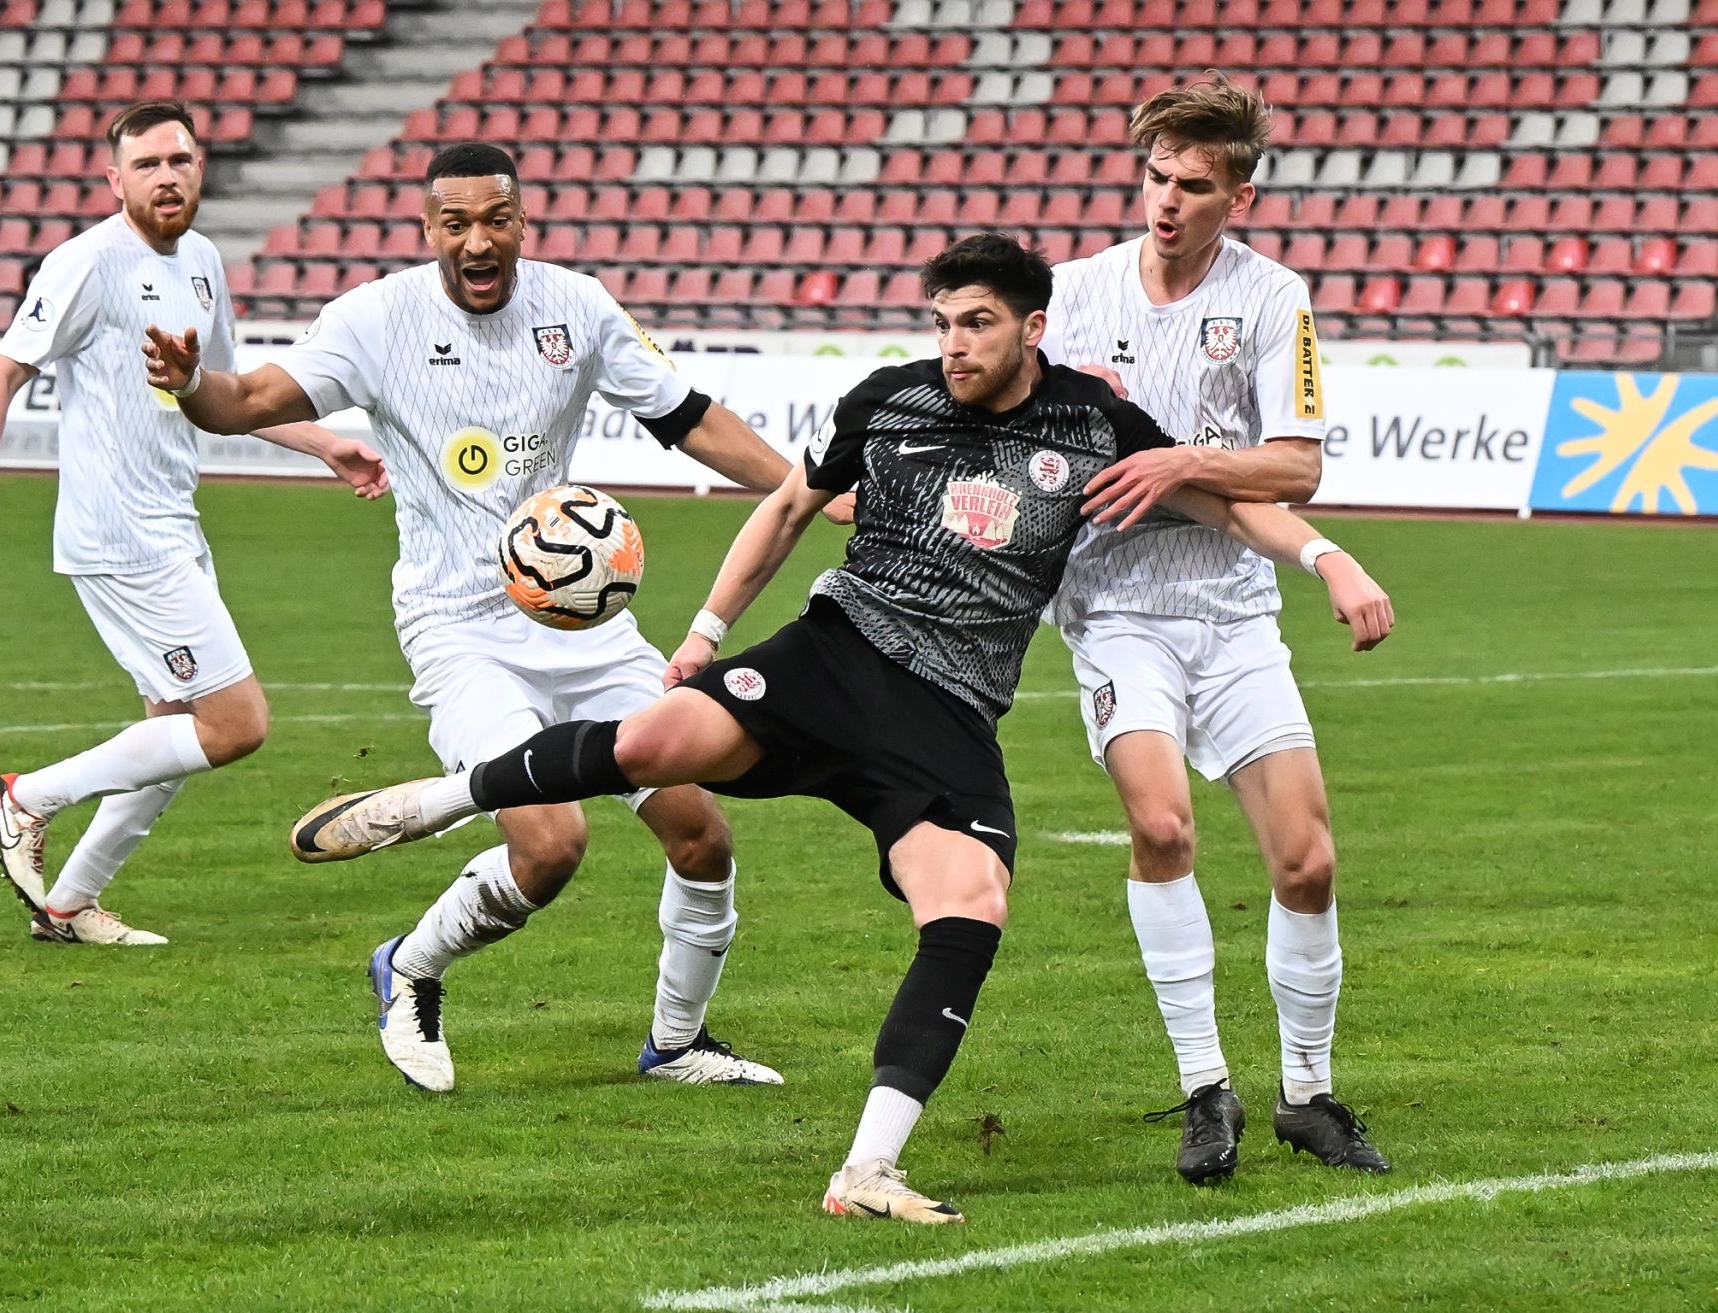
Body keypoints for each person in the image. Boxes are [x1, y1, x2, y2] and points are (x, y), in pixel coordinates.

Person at [284, 234, 1393, 1222]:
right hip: (835, 655)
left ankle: (867, 1166)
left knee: (971, 903)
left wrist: (1327, 557)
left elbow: (1231, 501)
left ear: (1033, 328)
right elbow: (787, 508)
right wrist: (709, 631)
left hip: (952, 713)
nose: (955, 344)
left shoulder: (1094, 423)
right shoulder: (887, 400)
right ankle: (431, 803)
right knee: (654, 740)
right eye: (944, 322)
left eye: (978, 324)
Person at [141, 142, 803, 1091]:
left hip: (582, 621)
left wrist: (800, 489)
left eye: (496, 219)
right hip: (458, 627)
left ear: (522, 222)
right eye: (455, 223)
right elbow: (243, 402)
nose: (477, 240)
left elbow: (690, 416)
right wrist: (190, 384)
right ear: (429, 230)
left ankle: (676, 1042)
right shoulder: (378, 319)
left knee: (702, 837)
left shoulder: (576, 305)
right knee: (551, 841)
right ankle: (411, 965)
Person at [1042, 71, 1394, 1183]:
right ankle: (1206, 1090)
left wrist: (1188, 457)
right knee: (1163, 829)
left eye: (1195, 185)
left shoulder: (1275, 298)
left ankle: (1306, 1092)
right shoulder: (1075, 291)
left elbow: (1296, 461)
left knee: (1308, 859)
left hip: (1236, 613)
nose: (1167, 202)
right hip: (1116, 612)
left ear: (1238, 196)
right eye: (1156, 177)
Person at [0, 100, 390, 946]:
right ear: (115, 181)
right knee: (235, 723)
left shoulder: (204, 261)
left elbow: (226, 393)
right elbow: (0, 372)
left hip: (171, 522)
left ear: (201, 166)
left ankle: (70, 904)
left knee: (176, 730)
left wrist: (324, 441)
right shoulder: (86, 263)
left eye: (179, 159)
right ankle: (26, 796)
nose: (167, 175)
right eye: (146, 165)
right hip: (121, 534)